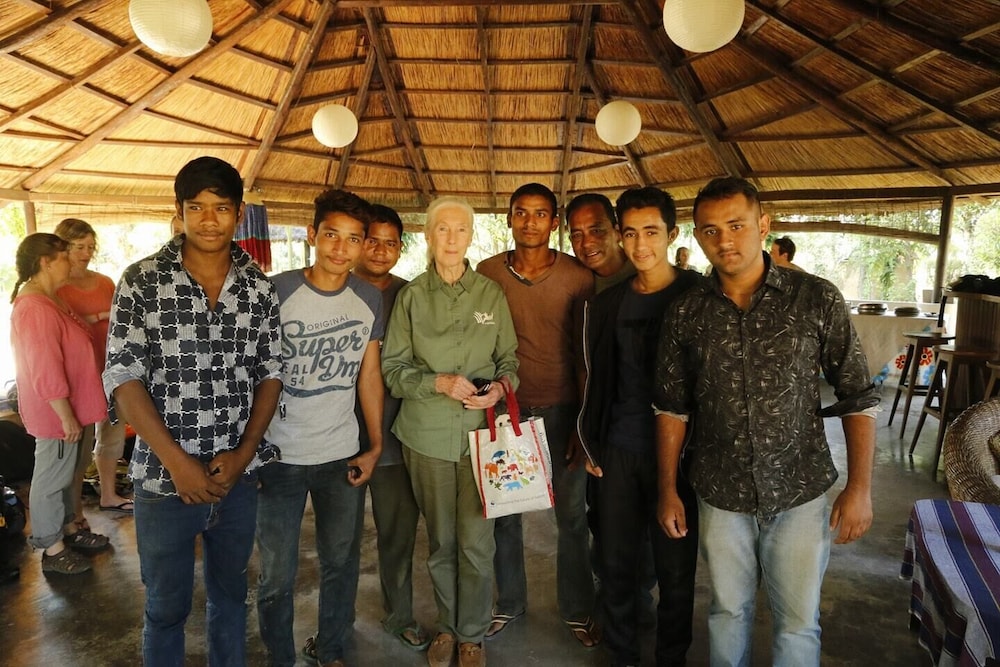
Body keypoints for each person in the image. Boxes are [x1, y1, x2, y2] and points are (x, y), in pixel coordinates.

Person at [654, 177, 878, 667]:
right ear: (697, 235)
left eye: (736, 225)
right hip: (720, 491)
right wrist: (668, 489)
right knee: (727, 612)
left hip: (800, 490)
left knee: (798, 623)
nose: (725, 240)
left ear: (763, 224)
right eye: (710, 230)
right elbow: (672, 408)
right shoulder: (687, 311)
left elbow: (857, 395)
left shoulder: (815, 298)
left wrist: (860, 487)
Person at [103, 156, 283, 666]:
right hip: (164, 483)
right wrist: (178, 463)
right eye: (196, 207)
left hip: (235, 481)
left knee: (231, 599)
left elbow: (271, 373)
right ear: (179, 210)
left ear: (239, 213)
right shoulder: (141, 281)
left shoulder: (259, 288)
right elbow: (122, 376)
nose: (208, 220)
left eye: (221, 208)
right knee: (165, 609)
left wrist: (245, 454)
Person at [382, 196, 519, 667]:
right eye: (443, 228)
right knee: (442, 542)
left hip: (483, 439)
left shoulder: (490, 295)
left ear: (471, 236)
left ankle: (471, 635)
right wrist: (437, 383)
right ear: (428, 235)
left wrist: (500, 388)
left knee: (477, 543)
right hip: (427, 437)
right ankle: (447, 626)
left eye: (461, 229)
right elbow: (393, 371)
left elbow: (509, 362)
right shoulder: (412, 297)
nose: (452, 238)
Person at [255, 189, 383, 667]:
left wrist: (374, 445)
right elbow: (251, 371)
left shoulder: (368, 298)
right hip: (278, 457)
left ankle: (330, 649)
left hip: (340, 455)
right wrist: (250, 450)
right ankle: (280, 657)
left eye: (353, 239)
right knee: (276, 574)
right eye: (331, 234)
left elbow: (369, 374)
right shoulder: (275, 291)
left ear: (363, 244)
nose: (340, 248)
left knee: (341, 563)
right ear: (312, 234)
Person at [578, 187, 700, 667]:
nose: (640, 244)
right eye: (630, 233)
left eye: (651, 232)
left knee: (675, 569)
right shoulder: (608, 304)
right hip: (619, 449)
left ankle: (671, 657)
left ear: (672, 234)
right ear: (618, 236)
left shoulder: (697, 297)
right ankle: (622, 654)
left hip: (683, 456)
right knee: (615, 563)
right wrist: (591, 442)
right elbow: (597, 380)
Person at [477, 183, 598, 648]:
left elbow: (584, 354)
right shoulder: (488, 273)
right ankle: (509, 602)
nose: (530, 222)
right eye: (521, 213)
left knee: (572, 516)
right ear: (509, 218)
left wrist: (582, 424)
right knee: (505, 515)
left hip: (563, 410)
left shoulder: (577, 276)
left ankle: (577, 609)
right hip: (506, 410)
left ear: (554, 221)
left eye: (540, 213)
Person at [353, 203, 431, 651]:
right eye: (372, 241)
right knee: (339, 542)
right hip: (339, 437)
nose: (381, 251)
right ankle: (333, 626)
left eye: (391, 243)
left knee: (398, 536)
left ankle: (399, 615)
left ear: (402, 247)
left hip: (396, 436)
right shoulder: (337, 288)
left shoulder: (412, 295)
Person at [10, 233, 109, 575]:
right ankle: (51, 548)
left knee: (67, 474)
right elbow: (44, 367)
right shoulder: (34, 308)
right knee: (51, 478)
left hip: (72, 407)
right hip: (57, 412)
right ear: (46, 262)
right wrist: (65, 415)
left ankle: (68, 529)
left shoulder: (50, 299)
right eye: (65, 256)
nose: (72, 261)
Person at [54, 218, 133, 515]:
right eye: (79, 247)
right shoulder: (57, 288)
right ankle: (72, 513)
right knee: (78, 444)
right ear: (63, 247)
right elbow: (63, 330)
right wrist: (99, 316)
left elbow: (122, 319)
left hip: (111, 366)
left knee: (112, 433)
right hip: (79, 374)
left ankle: (109, 494)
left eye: (90, 246)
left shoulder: (104, 282)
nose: (86, 253)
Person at [566, 193, 635, 293]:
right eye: (577, 235)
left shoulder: (646, 273)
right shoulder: (577, 284)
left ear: (618, 232)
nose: (586, 243)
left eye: (596, 231)